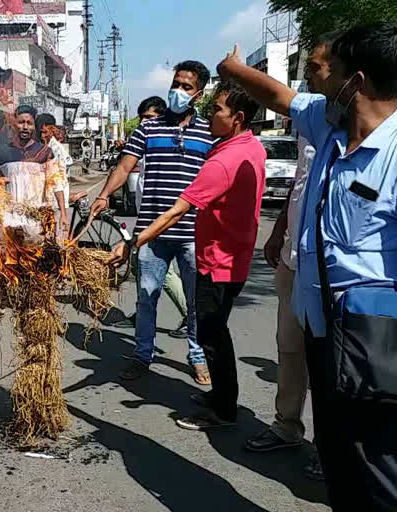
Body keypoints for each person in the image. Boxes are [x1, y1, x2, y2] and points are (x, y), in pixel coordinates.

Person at [218, 24, 397, 510]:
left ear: (354, 82)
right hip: (323, 330)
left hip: (377, 343)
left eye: (326, 71)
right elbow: (279, 96)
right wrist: (233, 69)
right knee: (339, 462)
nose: (315, 82)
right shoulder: (327, 121)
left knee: (379, 471)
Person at [111, 80, 265, 429]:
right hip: (232, 254)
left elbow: (175, 212)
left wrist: (132, 242)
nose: (211, 115)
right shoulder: (251, 147)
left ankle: (223, 410)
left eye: (218, 110)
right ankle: (216, 396)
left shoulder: (223, 160)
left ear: (237, 117)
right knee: (210, 329)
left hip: (218, 259)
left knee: (212, 335)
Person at [244, 34, 338, 482]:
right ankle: (286, 427)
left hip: (333, 273)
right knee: (289, 350)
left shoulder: (362, 128)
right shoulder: (313, 123)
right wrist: (280, 232)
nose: (309, 77)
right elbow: (302, 184)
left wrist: (235, 68)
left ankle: (331, 446)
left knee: (330, 364)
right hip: (293, 260)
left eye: (318, 67)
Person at [90, 61, 214, 385]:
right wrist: (104, 194)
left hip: (192, 233)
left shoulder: (209, 133)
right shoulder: (149, 128)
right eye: (176, 83)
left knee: (195, 301)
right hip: (150, 234)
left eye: (187, 87)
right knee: (146, 297)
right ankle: (143, 354)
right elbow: (124, 165)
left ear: (198, 93)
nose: (178, 91)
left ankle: (197, 355)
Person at [114, 97, 189, 338]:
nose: (144, 123)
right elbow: (126, 167)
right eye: (142, 118)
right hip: (146, 219)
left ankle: (188, 314)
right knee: (142, 269)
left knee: (163, 274)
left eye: (149, 118)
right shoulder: (145, 143)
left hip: (163, 222)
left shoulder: (167, 143)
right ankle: (142, 313)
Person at [0, 105, 68, 235]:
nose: (25, 127)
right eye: (21, 122)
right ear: (13, 124)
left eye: (29, 123)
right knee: (7, 254)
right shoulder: (0, 152)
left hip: (37, 222)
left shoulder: (45, 152)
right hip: (10, 220)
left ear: (34, 127)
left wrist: (63, 214)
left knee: (38, 254)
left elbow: (57, 184)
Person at [37, 113, 74, 210]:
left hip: (55, 195)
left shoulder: (55, 148)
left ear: (52, 130)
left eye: (45, 132)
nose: (42, 136)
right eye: (40, 132)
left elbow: (58, 175)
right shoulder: (44, 146)